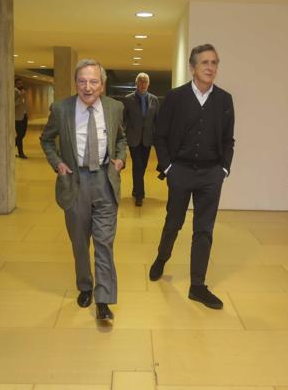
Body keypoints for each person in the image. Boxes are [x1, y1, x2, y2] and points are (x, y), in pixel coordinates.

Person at [149, 44, 235, 310]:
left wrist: (224, 169)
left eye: (214, 63)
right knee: (174, 222)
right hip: (181, 171)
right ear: (193, 67)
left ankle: (197, 285)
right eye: (205, 63)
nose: (210, 67)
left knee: (204, 229)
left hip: (211, 173)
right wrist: (168, 168)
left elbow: (228, 139)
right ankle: (162, 257)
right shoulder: (175, 97)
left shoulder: (224, 99)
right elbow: (159, 136)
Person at [40, 59, 126, 322]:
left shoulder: (114, 108)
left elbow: (121, 139)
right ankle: (85, 286)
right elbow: (46, 139)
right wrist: (58, 164)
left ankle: (103, 299)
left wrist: (120, 159)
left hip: (104, 180)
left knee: (104, 242)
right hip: (75, 182)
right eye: (82, 81)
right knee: (80, 242)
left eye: (93, 81)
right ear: (76, 83)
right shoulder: (61, 109)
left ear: (102, 85)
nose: (87, 87)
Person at [122, 72, 158, 206]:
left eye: (145, 82)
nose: (143, 84)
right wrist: (122, 136)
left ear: (148, 84)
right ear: (136, 83)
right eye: (140, 82)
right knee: (137, 165)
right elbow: (123, 120)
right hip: (133, 138)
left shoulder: (154, 99)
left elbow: (156, 120)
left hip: (148, 139)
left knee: (142, 166)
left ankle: (135, 188)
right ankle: (140, 195)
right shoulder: (128, 99)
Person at [14, 78, 29, 158]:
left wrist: (27, 113)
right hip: (17, 117)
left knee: (23, 134)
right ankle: (21, 153)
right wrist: (20, 97)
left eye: (21, 83)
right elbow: (14, 104)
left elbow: (25, 103)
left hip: (24, 116)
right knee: (20, 135)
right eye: (19, 83)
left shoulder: (24, 92)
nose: (20, 85)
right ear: (16, 84)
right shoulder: (14, 92)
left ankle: (12, 145)